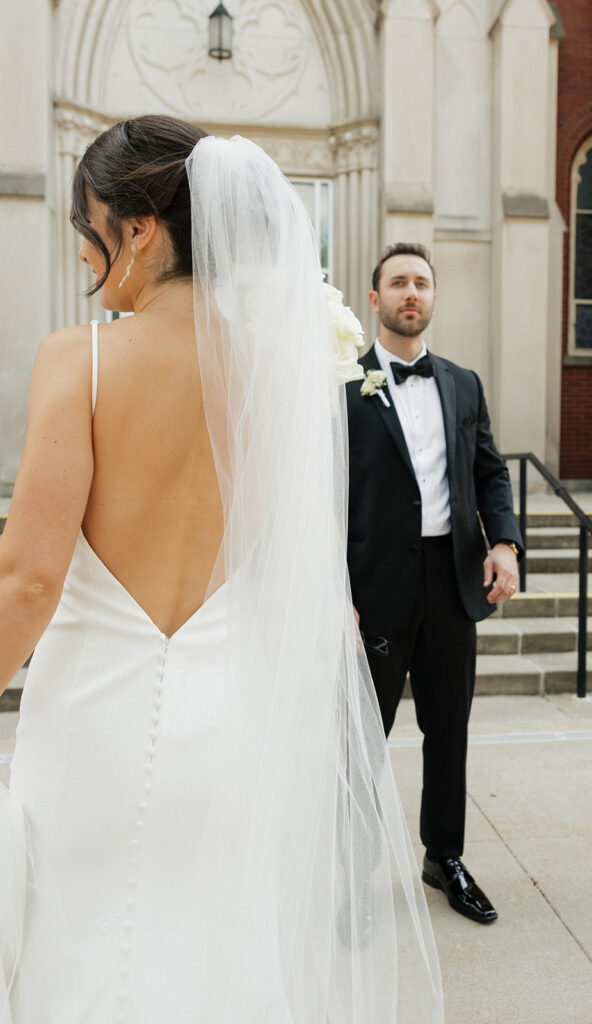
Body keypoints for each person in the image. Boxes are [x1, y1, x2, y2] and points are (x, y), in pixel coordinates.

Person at [0, 119, 444, 1023]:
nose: (85, 254)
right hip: (233, 739)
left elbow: (28, 580)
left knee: (85, 958)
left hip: (93, 736)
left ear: (139, 232)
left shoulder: (77, 359)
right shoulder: (275, 382)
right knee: (211, 967)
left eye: (89, 227)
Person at [346, 243, 523, 925]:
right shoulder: (339, 381)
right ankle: (354, 874)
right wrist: (337, 591)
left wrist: (503, 542)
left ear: (433, 296)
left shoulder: (462, 383)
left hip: (452, 582)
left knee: (448, 731)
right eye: (397, 283)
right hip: (373, 590)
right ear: (375, 299)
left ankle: (442, 856)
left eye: (420, 282)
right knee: (364, 736)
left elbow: (489, 473)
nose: (409, 293)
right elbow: (321, 493)